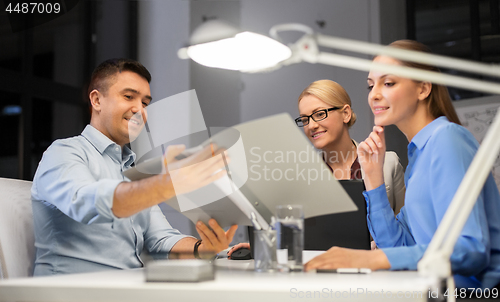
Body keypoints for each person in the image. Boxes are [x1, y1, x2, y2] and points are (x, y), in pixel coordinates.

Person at [304, 40, 500, 290]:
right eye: (370, 85)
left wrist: (371, 258)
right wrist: (373, 179)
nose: (374, 94)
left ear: (423, 89)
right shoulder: (418, 156)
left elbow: (470, 249)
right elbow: (397, 247)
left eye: (388, 83)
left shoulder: (447, 138)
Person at [31, 58, 238, 276]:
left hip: (126, 287)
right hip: (70, 291)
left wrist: (205, 248)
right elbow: (85, 203)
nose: (139, 109)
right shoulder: (63, 152)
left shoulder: (132, 171)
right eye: (129, 97)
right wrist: (165, 185)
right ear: (96, 100)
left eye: (145, 103)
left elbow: (161, 238)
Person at [228, 79, 406, 258]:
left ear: (345, 113)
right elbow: (301, 236)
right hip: (320, 274)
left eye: (319, 114)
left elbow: (405, 231)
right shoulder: (300, 175)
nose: (311, 125)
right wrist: (269, 245)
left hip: (375, 273)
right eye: (304, 119)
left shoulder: (388, 163)